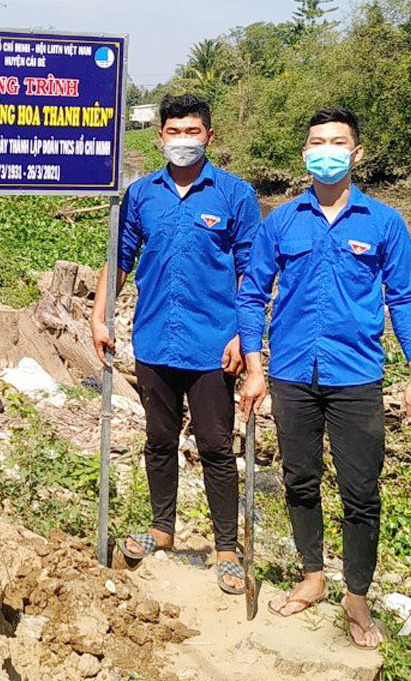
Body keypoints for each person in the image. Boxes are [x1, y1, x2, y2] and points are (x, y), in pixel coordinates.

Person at [235, 106, 411, 649]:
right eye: (317, 142)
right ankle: (313, 577)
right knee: (300, 480)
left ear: (356, 153)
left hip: (356, 376)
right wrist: (256, 369)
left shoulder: (384, 222)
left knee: (361, 491)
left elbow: (404, 299)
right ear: (305, 154)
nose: (327, 150)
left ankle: (357, 597)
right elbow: (252, 293)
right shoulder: (282, 220)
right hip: (293, 373)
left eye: (337, 142)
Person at [90, 93, 261, 595]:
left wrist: (244, 338)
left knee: (214, 446)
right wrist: (100, 317)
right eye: (173, 131)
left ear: (210, 136)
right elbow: (118, 259)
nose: (182, 141)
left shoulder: (235, 195)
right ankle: (162, 529)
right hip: (155, 339)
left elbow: (253, 275)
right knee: (159, 441)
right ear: (160, 136)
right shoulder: (142, 194)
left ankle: (226, 548)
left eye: (192, 132)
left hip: (214, 346)